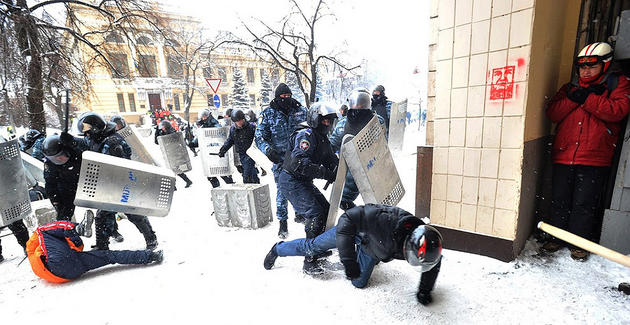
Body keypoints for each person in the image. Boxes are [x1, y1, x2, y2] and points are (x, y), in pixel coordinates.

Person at [544, 42, 630, 261]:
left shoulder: (618, 84)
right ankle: (555, 236)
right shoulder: (570, 88)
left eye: (592, 66)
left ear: (606, 64)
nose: (586, 70)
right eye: (582, 67)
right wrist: (577, 96)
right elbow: (553, 113)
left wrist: (590, 98)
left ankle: (578, 242)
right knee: (560, 199)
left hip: (595, 156)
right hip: (564, 153)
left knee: (584, 203)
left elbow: (618, 111)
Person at [263, 204, 442, 305]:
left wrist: (424, 291)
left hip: (371, 247)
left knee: (358, 283)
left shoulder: (426, 242)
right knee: (314, 246)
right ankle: (278, 249)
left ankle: (363, 255)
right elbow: (347, 219)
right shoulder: (382, 219)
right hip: (352, 230)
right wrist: (348, 259)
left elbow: (433, 263)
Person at [69, 112, 158, 251]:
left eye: (87, 132)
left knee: (133, 213)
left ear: (95, 129)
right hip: (108, 184)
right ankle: (102, 245)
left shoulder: (113, 143)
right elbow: (87, 143)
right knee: (102, 216)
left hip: (122, 183)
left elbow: (119, 167)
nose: (86, 135)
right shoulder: (98, 137)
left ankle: (151, 238)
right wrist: (71, 140)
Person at [277, 102, 338, 273]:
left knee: (326, 210)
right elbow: (299, 163)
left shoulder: (322, 138)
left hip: (303, 181)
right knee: (315, 214)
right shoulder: (306, 135)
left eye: (330, 121)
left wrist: (338, 168)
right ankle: (310, 260)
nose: (327, 124)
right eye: (324, 120)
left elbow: (331, 159)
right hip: (291, 180)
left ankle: (318, 250)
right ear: (315, 119)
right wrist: (325, 173)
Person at [26, 219, 163, 283]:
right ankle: (76, 227)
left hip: (71, 270)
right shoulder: (38, 245)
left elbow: (77, 246)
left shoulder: (56, 246)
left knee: (109, 256)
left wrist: (71, 236)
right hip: (55, 264)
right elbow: (32, 243)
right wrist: (73, 231)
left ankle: (150, 256)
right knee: (42, 229)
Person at [255, 83, 308, 238]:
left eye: (288, 96)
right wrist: (268, 150)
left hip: (300, 158)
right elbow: (259, 137)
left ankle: (302, 213)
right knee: (282, 191)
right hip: (280, 159)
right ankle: (282, 223)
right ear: (277, 98)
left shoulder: (300, 111)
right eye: (283, 97)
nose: (286, 99)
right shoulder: (268, 114)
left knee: (304, 187)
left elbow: (311, 129)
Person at [329, 88, 386, 211]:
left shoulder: (377, 121)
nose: (359, 107)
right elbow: (332, 145)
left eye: (362, 103)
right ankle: (358, 219)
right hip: (351, 170)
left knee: (378, 205)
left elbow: (383, 145)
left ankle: (370, 222)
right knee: (343, 201)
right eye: (357, 103)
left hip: (372, 167)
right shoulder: (343, 124)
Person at [42, 134, 85, 221]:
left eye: (61, 156)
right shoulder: (50, 164)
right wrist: (55, 200)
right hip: (66, 186)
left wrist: (73, 141)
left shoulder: (77, 150)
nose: (60, 160)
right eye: (56, 158)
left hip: (84, 180)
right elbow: (50, 183)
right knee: (64, 213)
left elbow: (88, 145)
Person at [191, 108, 234, 188]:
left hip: (217, 151)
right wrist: (193, 143)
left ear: (208, 116)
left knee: (223, 172)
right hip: (208, 154)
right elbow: (199, 138)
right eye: (202, 117)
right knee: (210, 175)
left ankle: (232, 188)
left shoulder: (216, 124)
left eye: (204, 117)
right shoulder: (202, 126)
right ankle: (216, 190)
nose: (203, 119)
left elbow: (220, 134)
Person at [219, 109, 259, 184]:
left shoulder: (251, 127)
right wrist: (223, 150)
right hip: (242, 153)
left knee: (247, 174)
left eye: (240, 120)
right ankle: (256, 185)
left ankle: (249, 186)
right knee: (250, 173)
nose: (239, 123)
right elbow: (230, 140)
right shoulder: (233, 129)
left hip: (251, 153)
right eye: (237, 121)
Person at [155, 120, 193, 188]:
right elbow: (156, 142)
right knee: (173, 169)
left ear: (166, 126)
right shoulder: (161, 132)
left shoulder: (172, 131)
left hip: (175, 152)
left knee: (173, 169)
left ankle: (174, 186)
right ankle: (186, 181)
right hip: (168, 153)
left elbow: (175, 140)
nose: (162, 129)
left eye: (163, 127)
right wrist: (157, 131)